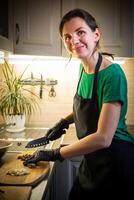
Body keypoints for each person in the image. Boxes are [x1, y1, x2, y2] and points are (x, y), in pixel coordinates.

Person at [24, 8, 134, 199]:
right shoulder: (83, 69)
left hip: (114, 162)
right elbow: (89, 108)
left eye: (80, 32)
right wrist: (64, 122)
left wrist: (54, 153)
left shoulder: (112, 74)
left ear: (96, 34)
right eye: (67, 36)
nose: (73, 40)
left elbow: (103, 138)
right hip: (92, 160)